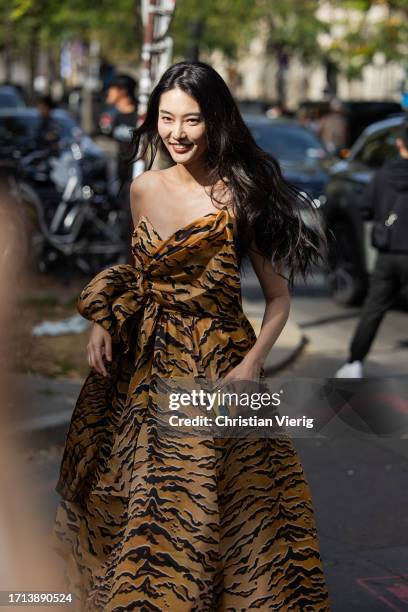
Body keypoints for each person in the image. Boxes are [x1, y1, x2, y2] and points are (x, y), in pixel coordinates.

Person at [50, 61, 330, 610]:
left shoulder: (240, 196)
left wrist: (250, 366)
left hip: (217, 371)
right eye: (166, 118)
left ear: (216, 121)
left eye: (192, 120)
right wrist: (104, 319)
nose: (177, 132)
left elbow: (279, 300)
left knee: (219, 508)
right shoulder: (142, 189)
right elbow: (137, 274)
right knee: (137, 500)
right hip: (145, 368)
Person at [336, 122, 408, 378]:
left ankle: (354, 362)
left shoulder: (384, 174)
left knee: (374, 308)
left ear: (400, 144)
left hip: (387, 254)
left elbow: (363, 206)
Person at [105, 74, 139, 261]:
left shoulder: (139, 117)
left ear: (122, 91)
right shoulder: (116, 117)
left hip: (136, 180)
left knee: (131, 228)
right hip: (121, 178)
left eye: (111, 88)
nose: (107, 93)